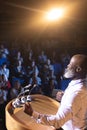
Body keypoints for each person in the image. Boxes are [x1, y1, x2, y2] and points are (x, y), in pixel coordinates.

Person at [23, 54, 87, 130]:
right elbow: (78, 104)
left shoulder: (77, 93)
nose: (67, 66)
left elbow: (57, 122)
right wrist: (65, 97)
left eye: (70, 64)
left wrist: (32, 114)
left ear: (78, 69)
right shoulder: (80, 85)